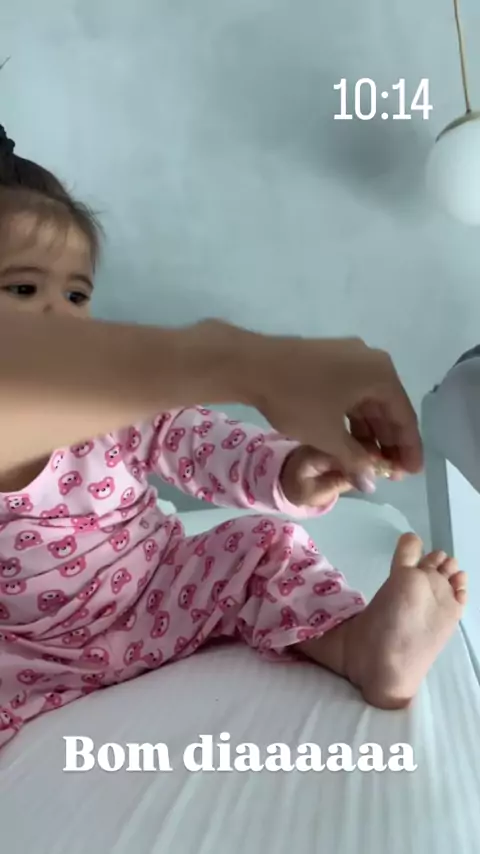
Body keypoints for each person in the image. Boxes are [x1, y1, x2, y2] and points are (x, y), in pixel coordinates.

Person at [0, 126, 467, 748]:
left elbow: (203, 444)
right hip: (27, 658)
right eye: (23, 289)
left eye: (76, 294)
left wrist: (290, 472)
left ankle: (361, 645)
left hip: (156, 590)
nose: (61, 316)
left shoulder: (115, 404)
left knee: (262, 546)